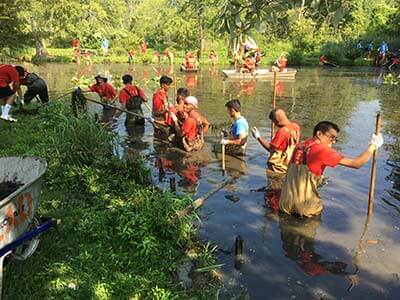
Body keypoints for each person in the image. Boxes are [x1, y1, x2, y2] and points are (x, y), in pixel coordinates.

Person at [279, 121, 384, 217]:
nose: (333, 142)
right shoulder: (322, 150)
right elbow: (356, 163)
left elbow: (294, 170)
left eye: (335, 139)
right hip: (305, 209)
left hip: (285, 204)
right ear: (319, 134)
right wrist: (373, 146)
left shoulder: (300, 145)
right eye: (332, 137)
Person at [252, 108, 300, 175]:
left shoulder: (282, 131)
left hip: (278, 168)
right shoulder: (296, 126)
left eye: (274, 122)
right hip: (289, 164)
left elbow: (270, 149)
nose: (274, 124)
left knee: (273, 184)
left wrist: (258, 137)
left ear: (277, 121)